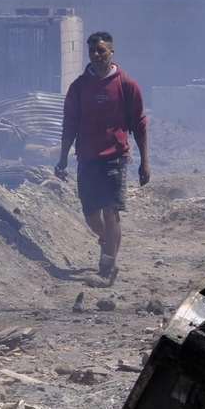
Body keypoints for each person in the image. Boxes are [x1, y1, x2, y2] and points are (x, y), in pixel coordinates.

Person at [56, 31, 150, 284]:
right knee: (90, 213)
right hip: (86, 157)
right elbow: (69, 124)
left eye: (102, 50)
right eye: (93, 51)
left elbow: (139, 124)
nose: (97, 55)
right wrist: (63, 157)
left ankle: (108, 267)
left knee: (111, 211)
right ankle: (108, 241)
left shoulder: (126, 84)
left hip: (115, 158)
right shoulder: (79, 87)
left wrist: (144, 162)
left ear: (112, 53)